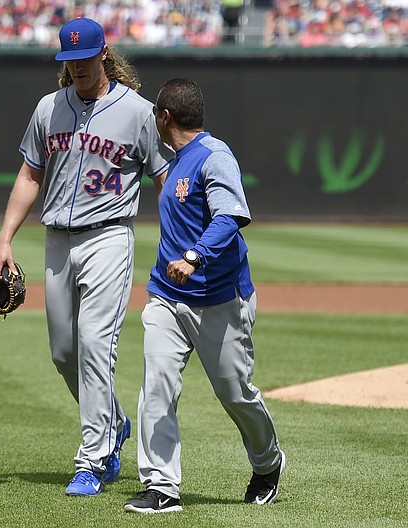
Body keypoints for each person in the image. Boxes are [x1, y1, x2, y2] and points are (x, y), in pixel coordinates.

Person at [0, 17, 173, 496]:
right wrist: (5, 239)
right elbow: (30, 174)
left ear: (104, 54)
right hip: (56, 241)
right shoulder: (49, 108)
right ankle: (113, 421)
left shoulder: (137, 112)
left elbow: (164, 180)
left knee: (95, 344)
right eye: (69, 61)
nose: (78, 68)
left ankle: (92, 460)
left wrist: (182, 240)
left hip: (109, 237)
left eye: (85, 59)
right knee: (63, 352)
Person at [123, 78, 285, 514]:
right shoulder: (174, 161)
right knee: (157, 385)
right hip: (167, 296)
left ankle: (268, 462)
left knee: (235, 393)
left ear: (165, 117)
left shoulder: (215, 157)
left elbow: (231, 214)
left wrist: (194, 256)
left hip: (219, 298)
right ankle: (161, 486)